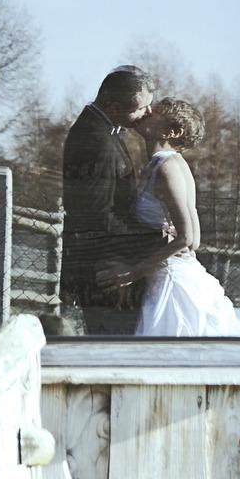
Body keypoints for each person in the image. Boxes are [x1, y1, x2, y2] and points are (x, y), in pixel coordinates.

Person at [99, 97, 240, 338]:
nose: (146, 112)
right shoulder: (169, 165)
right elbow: (195, 239)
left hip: (172, 284)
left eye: (154, 112)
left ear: (173, 131)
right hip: (168, 274)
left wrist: (131, 273)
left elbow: (188, 238)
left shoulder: (167, 168)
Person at [60, 66, 162, 335]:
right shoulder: (96, 141)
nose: (149, 113)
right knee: (115, 345)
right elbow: (96, 214)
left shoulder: (104, 130)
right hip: (106, 271)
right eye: (142, 108)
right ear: (112, 105)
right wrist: (154, 238)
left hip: (106, 264)